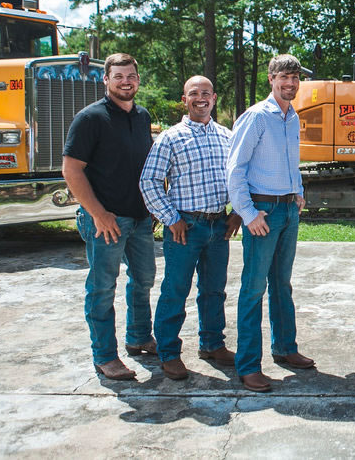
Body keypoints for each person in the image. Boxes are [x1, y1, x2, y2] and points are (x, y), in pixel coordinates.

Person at [140, 76, 242, 381]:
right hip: (185, 225)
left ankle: (212, 345)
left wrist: (236, 211)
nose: (201, 98)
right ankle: (169, 353)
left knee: (214, 291)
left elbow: (240, 177)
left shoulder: (227, 136)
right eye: (194, 93)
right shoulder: (170, 138)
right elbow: (149, 181)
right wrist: (171, 218)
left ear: (214, 99)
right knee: (175, 290)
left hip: (218, 225)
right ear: (184, 99)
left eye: (206, 93)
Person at [63, 52, 155, 381]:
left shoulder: (142, 117)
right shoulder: (90, 119)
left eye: (130, 76)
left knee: (144, 280)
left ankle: (139, 337)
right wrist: (99, 214)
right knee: (102, 288)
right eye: (118, 76)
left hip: (140, 218)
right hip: (106, 221)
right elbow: (71, 170)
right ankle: (104, 356)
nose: (125, 81)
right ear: (106, 80)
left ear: (138, 80)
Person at [227, 54, 313, 393]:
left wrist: (299, 191)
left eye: (295, 78)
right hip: (263, 211)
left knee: (282, 284)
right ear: (271, 79)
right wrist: (248, 214)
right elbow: (235, 170)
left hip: (288, 210)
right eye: (284, 77)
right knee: (253, 289)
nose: (290, 83)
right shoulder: (256, 117)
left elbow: (292, 160)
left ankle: (285, 348)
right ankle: (248, 366)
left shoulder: (291, 117)